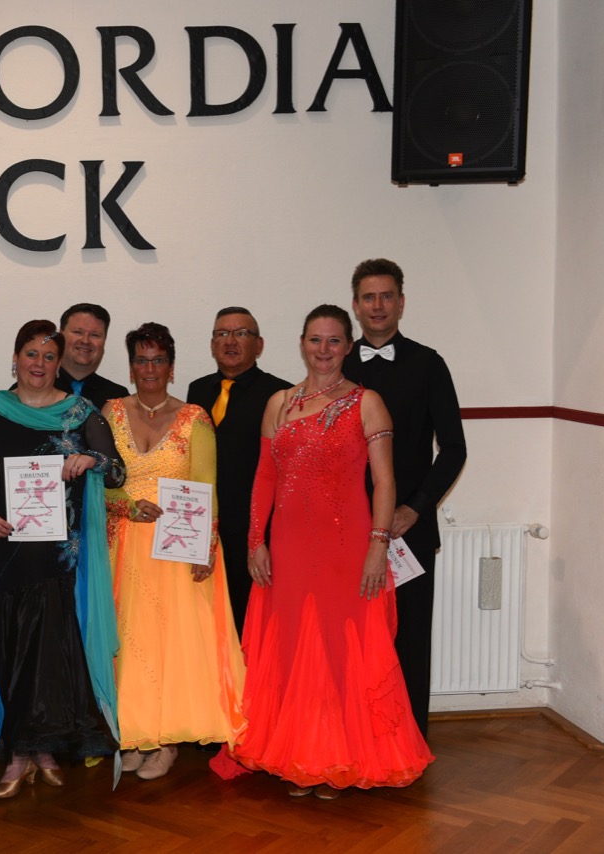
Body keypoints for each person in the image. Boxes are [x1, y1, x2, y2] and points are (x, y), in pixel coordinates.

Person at [233, 306, 432, 799]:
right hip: (289, 548)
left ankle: (340, 758)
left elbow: (385, 482)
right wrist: (256, 540)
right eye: (315, 340)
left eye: (334, 341)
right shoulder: (278, 403)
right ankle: (299, 756)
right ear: (302, 343)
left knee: (341, 650)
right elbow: (265, 477)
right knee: (293, 649)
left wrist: (378, 547)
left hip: (348, 548)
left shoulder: (368, 403)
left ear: (348, 346)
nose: (324, 350)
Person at [0, 319, 125, 799]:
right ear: (15, 359)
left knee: (49, 656)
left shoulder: (80, 414)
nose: (39, 363)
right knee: (9, 651)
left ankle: (44, 750)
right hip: (2, 550)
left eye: (48, 356)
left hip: (58, 560)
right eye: (30, 354)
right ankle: (17, 753)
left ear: (60, 364)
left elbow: (118, 471)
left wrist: (93, 461)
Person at [104, 322, 245, 780]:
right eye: (141, 360)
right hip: (124, 547)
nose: (150, 368)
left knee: (174, 645)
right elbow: (97, 483)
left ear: (171, 366)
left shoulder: (194, 418)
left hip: (178, 548)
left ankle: (167, 741)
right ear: (131, 367)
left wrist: (206, 546)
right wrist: (125, 504)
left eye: (158, 360)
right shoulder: (111, 413)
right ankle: (135, 733)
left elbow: (207, 486)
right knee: (131, 644)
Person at [343, 259, 466, 741]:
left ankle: (410, 741)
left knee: (410, 637)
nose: (378, 305)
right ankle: (355, 738)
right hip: (348, 529)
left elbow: (453, 449)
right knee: (353, 637)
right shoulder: (336, 364)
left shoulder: (429, 363)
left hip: (407, 529)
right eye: (368, 297)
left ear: (401, 303)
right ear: (356, 305)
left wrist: (415, 508)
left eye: (387, 296)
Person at [186, 308, 291, 633]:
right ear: (212, 344)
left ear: (259, 345)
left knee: (252, 620)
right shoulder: (197, 391)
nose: (230, 341)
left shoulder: (281, 395)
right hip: (206, 526)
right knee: (208, 618)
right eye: (222, 334)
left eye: (241, 333)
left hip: (257, 529)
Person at [56, 303, 128, 408]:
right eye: (78, 332)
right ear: (60, 336)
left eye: (95, 335)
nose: (85, 341)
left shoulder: (117, 398)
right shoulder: (38, 387)